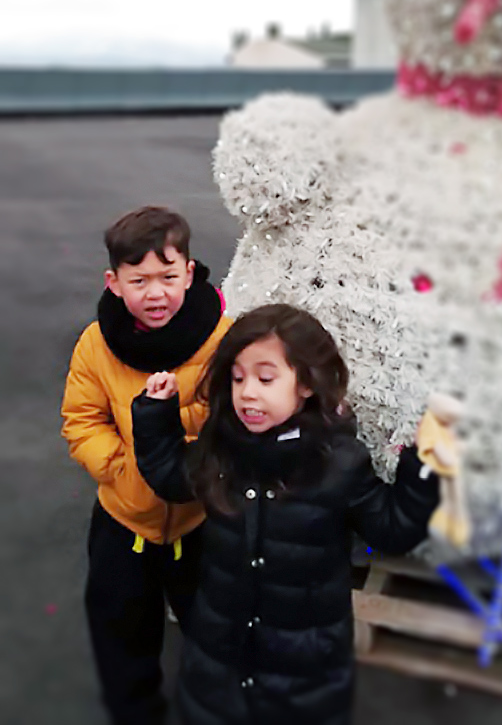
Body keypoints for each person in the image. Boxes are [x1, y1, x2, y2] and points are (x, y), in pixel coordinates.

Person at [131, 303, 439, 725]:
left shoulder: (337, 462)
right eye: (237, 378)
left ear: (307, 383)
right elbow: (171, 478)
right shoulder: (222, 450)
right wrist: (155, 414)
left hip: (305, 673)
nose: (247, 393)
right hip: (219, 667)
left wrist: (422, 469)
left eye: (266, 378)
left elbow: (391, 529)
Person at [61, 205, 231, 725]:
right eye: (139, 281)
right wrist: (121, 468)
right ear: (113, 283)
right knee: (122, 633)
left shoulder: (221, 340)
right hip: (124, 522)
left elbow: (234, 417)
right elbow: (82, 420)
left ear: (190, 272)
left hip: (200, 521)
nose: (155, 293)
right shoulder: (97, 344)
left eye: (168, 277)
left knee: (216, 633)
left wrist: (188, 446)